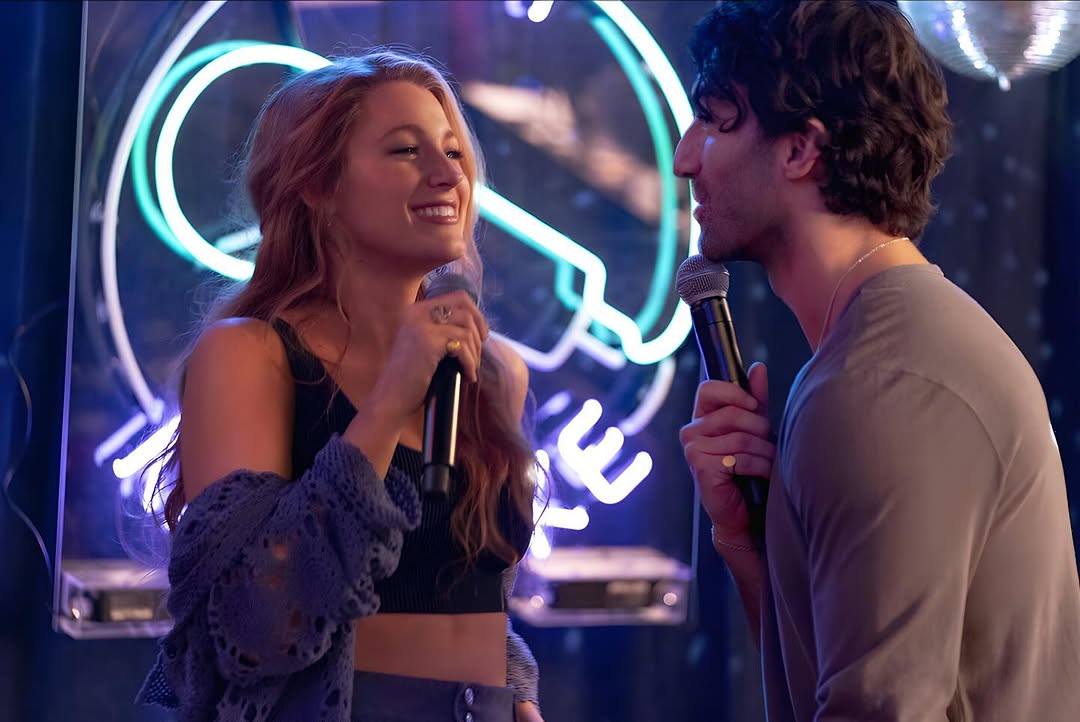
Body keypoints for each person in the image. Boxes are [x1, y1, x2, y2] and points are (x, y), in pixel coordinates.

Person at [675, 1, 1080, 720]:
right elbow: (832, 681)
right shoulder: (876, 356)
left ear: (800, 150)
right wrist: (749, 543)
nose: (685, 157)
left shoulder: (885, 382)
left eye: (713, 120)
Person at [136, 50, 545, 722]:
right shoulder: (251, 355)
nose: (448, 174)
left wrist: (519, 696)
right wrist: (388, 401)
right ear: (318, 185)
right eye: (406, 151)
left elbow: (470, 595)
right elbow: (251, 623)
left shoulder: (495, 373)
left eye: (453, 152)